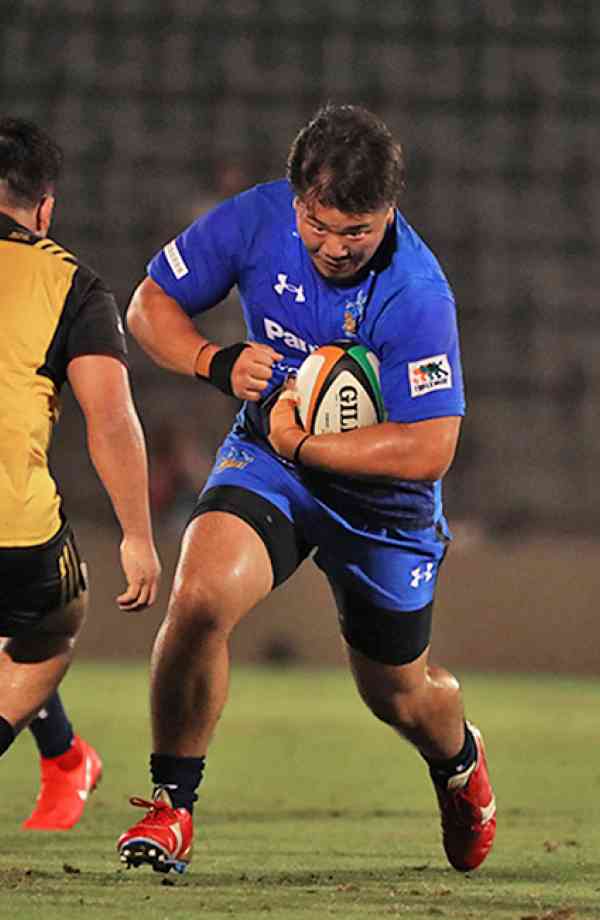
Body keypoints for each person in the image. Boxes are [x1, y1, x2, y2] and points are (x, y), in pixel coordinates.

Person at [117, 104, 496, 875]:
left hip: (382, 507)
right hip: (272, 464)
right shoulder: (256, 220)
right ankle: (171, 807)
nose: (334, 247)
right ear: (297, 200)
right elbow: (148, 306)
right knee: (200, 598)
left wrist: (308, 443)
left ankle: (459, 762)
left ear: (389, 212)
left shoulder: (416, 292)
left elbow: (431, 447)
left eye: (357, 232)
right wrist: (215, 362)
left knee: (398, 695)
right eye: (319, 225)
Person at [0, 116, 161, 831]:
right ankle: (66, 757)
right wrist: (137, 536)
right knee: (51, 621)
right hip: (19, 534)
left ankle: (67, 758)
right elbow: (112, 419)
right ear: (44, 209)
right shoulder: (74, 282)